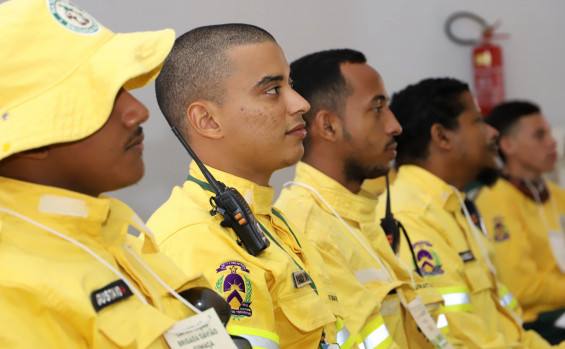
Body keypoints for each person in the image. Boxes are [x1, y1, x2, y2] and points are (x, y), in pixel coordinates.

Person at [0, 0, 214, 347]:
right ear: (32, 138)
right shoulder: (13, 289)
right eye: (99, 95)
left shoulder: (114, 235)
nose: (139, 112)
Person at [147, 24, 346, 349]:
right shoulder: (195, 238)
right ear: (208, 120)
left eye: (290, 85)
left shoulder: (272, 222)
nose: (300, 103)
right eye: (271, 90)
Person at [275, 49, 457, 349]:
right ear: (328, 126)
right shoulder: (310, 233)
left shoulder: (358, 216)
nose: (395, 125)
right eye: (377, 108)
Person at [378, 77, 558, 348]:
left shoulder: (453, 207)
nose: (492, 132)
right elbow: (461, 341)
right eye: (477, 121)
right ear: (442, 136)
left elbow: (511, 332)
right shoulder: (412, 214)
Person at [475, 101, 565, 343]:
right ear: (507, 145)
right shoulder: (494, 201)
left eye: (548, 132)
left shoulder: (558, 196)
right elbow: (522, 287)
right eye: (539, 135)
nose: (552, 141)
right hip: (533, 323)